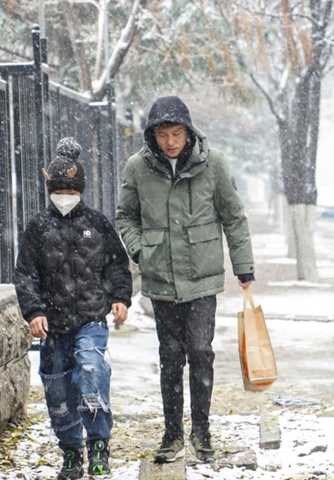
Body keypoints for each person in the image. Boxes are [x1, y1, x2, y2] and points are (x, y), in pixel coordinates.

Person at [116, 96, 255, 464]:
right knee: (170, 356)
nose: (171, 141)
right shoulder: (138, 168)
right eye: (163, 134)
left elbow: (234, 217)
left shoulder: (212, 164)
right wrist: (142, 251)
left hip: (201, 279)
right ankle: (173, 432)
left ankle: (202, 431)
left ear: (188, 132)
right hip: (161, 279)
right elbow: (125, 217)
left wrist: (245, 268)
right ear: (153, 136)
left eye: (177, 133)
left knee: (201, 352)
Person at [14, 137, 132, 479]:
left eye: (72, 190)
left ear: (81, 190)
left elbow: (116, 265)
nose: (65, 196)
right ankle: (70, 451)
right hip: (52, 325)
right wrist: (34, 311)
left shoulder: (97, 224)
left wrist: (120, 298)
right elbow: (25, 274)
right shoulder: (38, 228)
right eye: (59, 189)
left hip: (90, 319)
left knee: (91, 372)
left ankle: (98, 445)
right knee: (58, 390)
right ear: (49, 188)